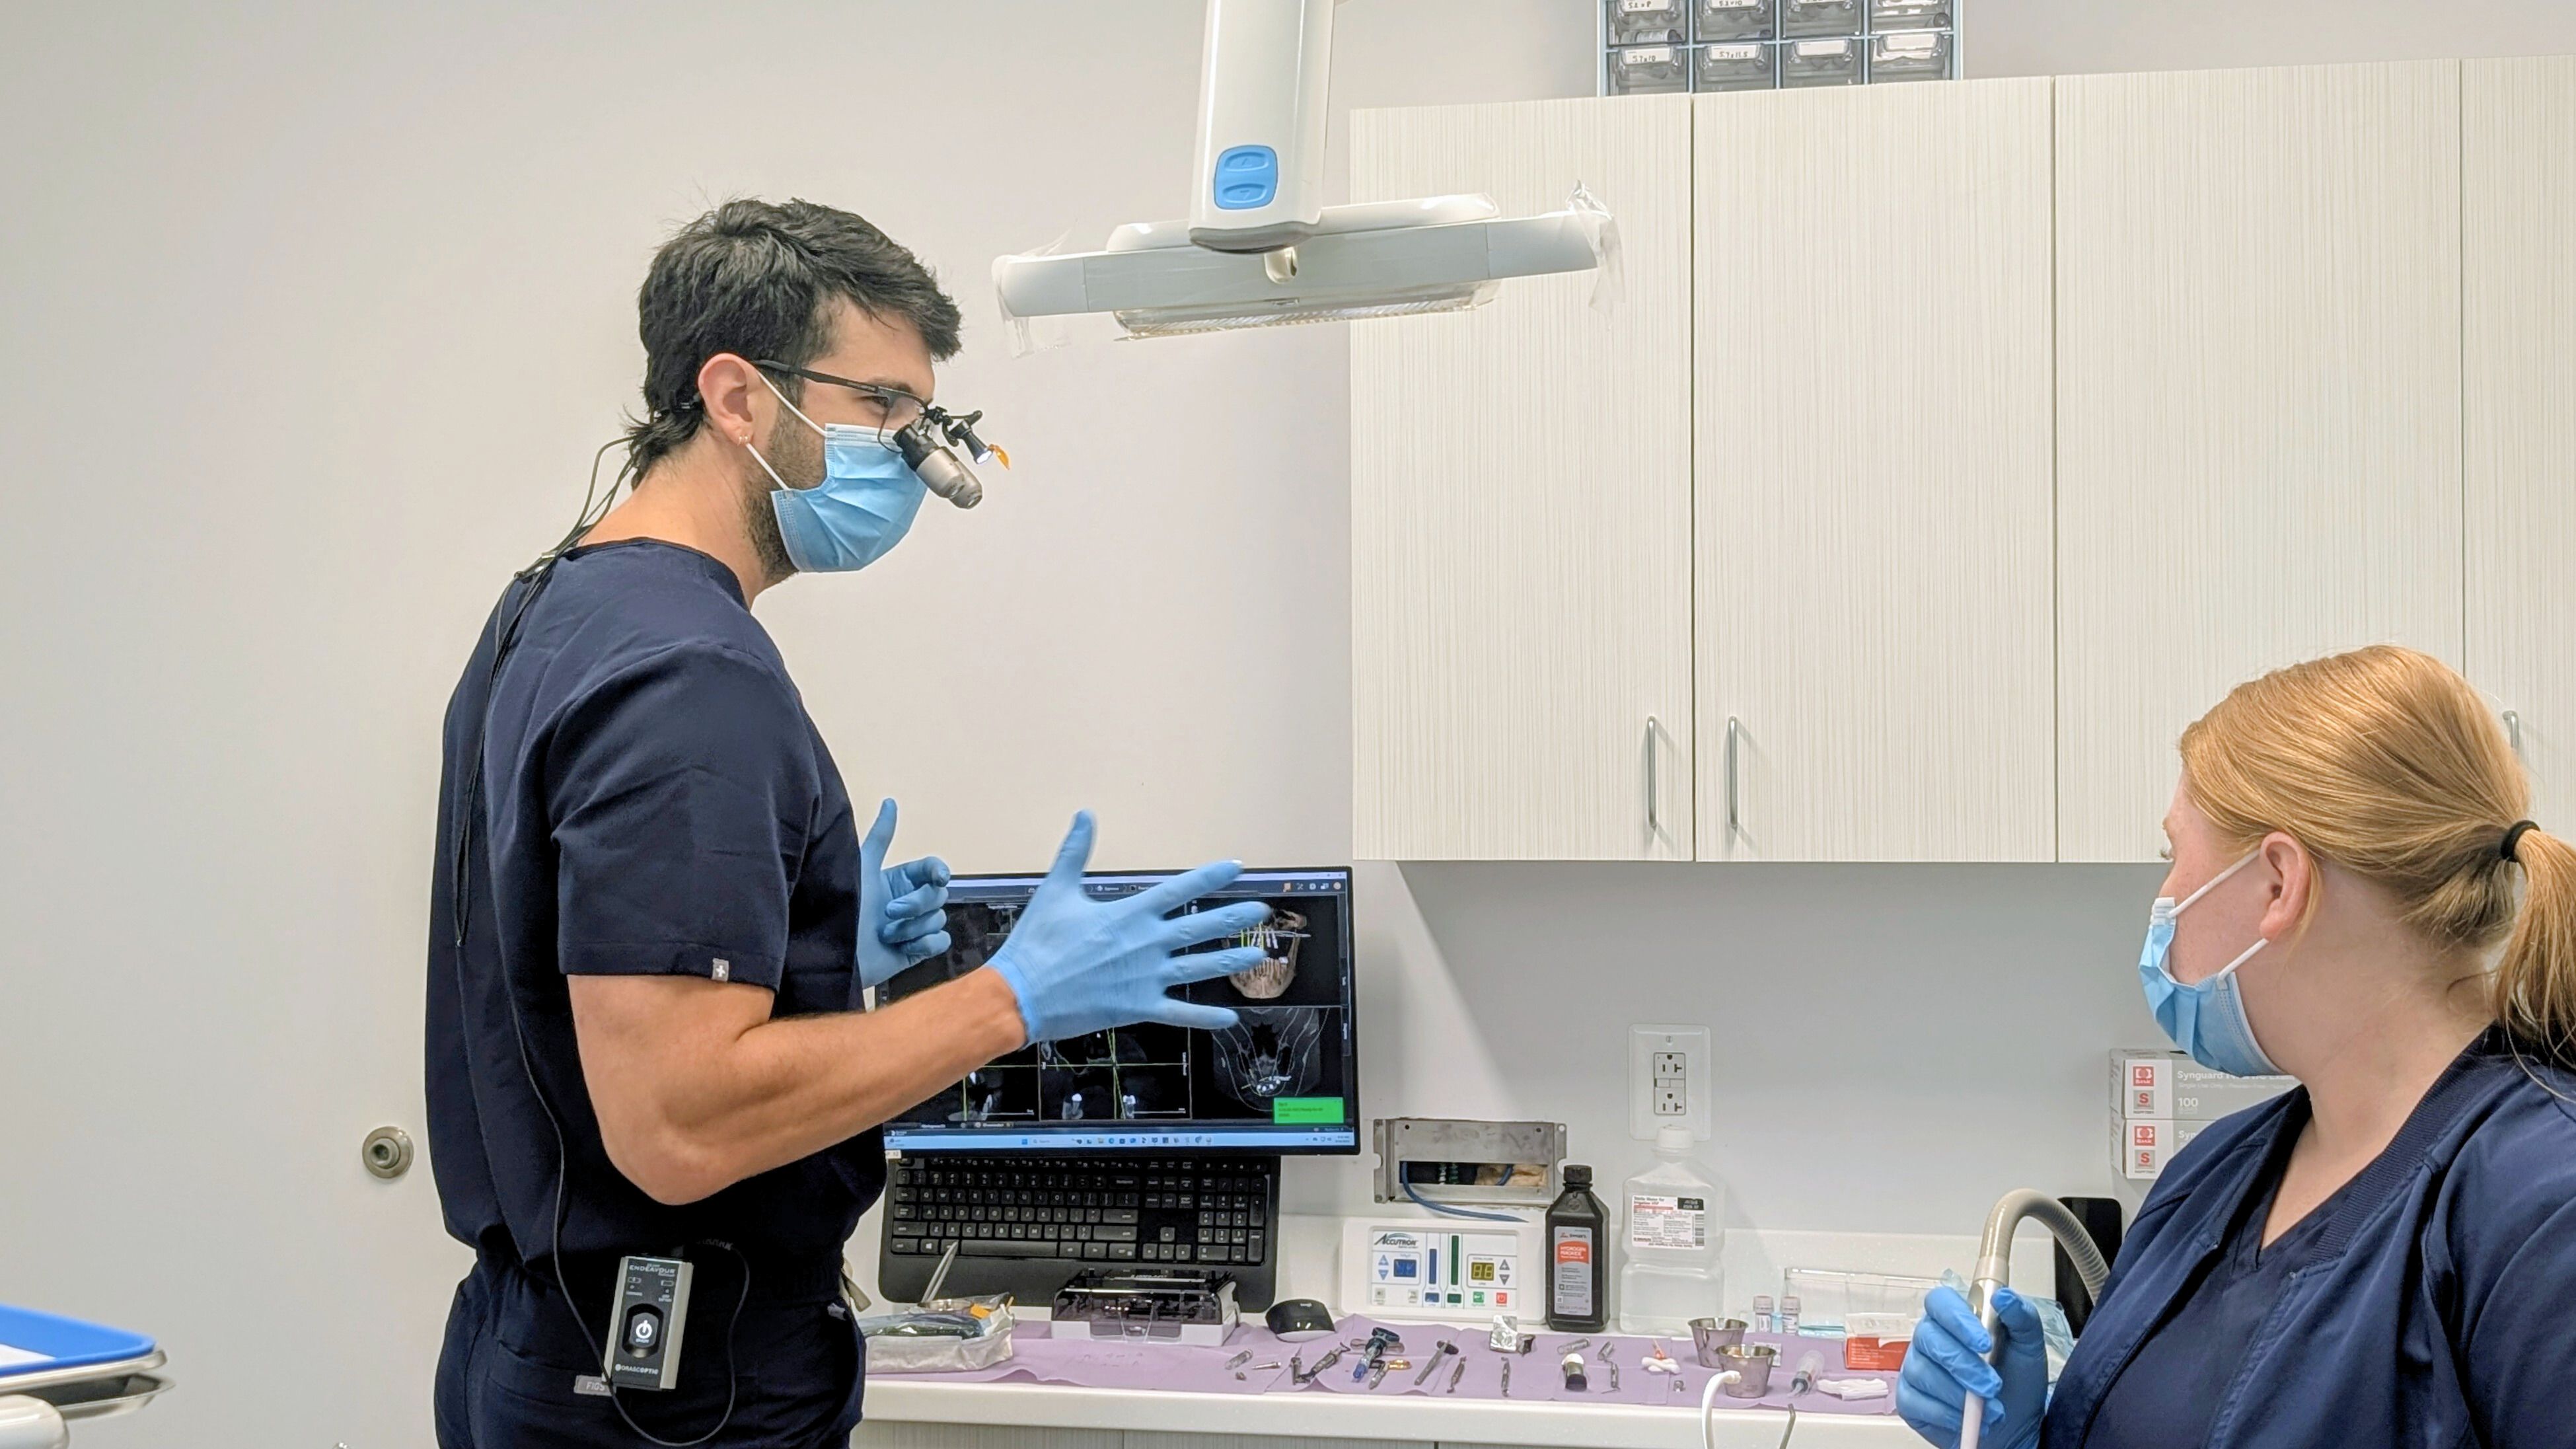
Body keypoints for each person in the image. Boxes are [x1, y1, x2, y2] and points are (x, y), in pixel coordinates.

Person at [424, 199, 1272, 1447]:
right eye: (881, 408)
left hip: (549, 1347)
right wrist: (1013, 999)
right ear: (735, 396)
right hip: (670, 1392)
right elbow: (676, 1122)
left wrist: (814, 960)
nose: (917, 458)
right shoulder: (689, 675)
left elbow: (556, 980)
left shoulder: (553, 608)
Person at [1897, 645, 2576, 1448]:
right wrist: (2026, 1437)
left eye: (2173, 856)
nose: (2163, 900)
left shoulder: (2541, 1201)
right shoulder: (2214, 1174)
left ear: (2278, 883)